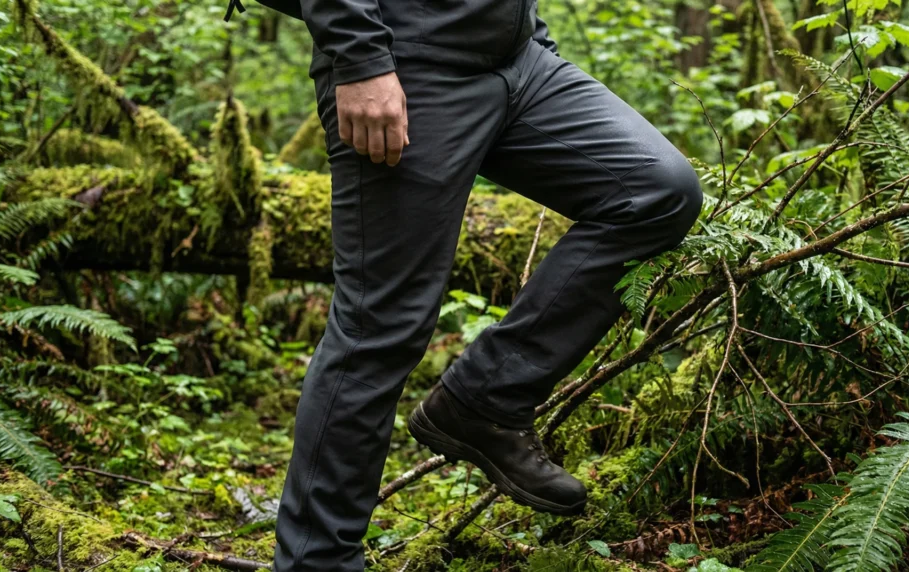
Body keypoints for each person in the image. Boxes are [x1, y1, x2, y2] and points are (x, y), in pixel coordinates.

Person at [272, 0, 704, 568]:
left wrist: (529, 35)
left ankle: (487, 398)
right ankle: (316, 562)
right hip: (406, 61)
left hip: (518, 59)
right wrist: (360, 58)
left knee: (657, 190)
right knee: (380, 324)